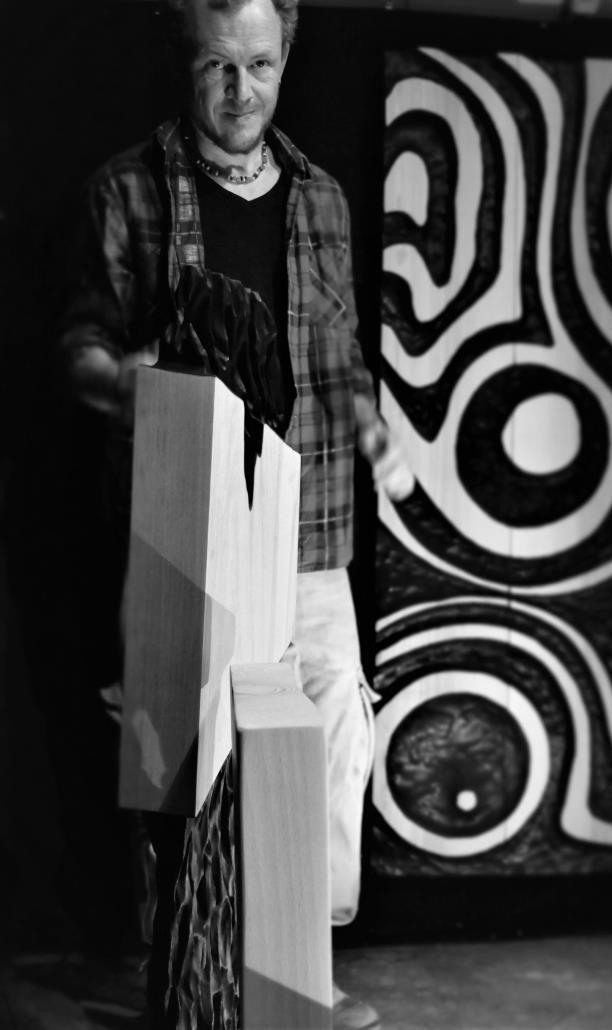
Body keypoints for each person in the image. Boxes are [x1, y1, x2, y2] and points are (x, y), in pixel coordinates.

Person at [58, 1, 413, 1027]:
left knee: (328, 745)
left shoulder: (323, 198)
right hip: (185, 525)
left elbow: (340, 351)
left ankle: (295, 979)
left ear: (286, 57)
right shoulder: (127, 189)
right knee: (185, 772)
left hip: (309, 526)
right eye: (218, 65)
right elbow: (78, 349)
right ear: (187, 62)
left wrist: (369, 419)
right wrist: (125, 378)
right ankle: (191, 990)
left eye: (260, 64)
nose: (240, 91)